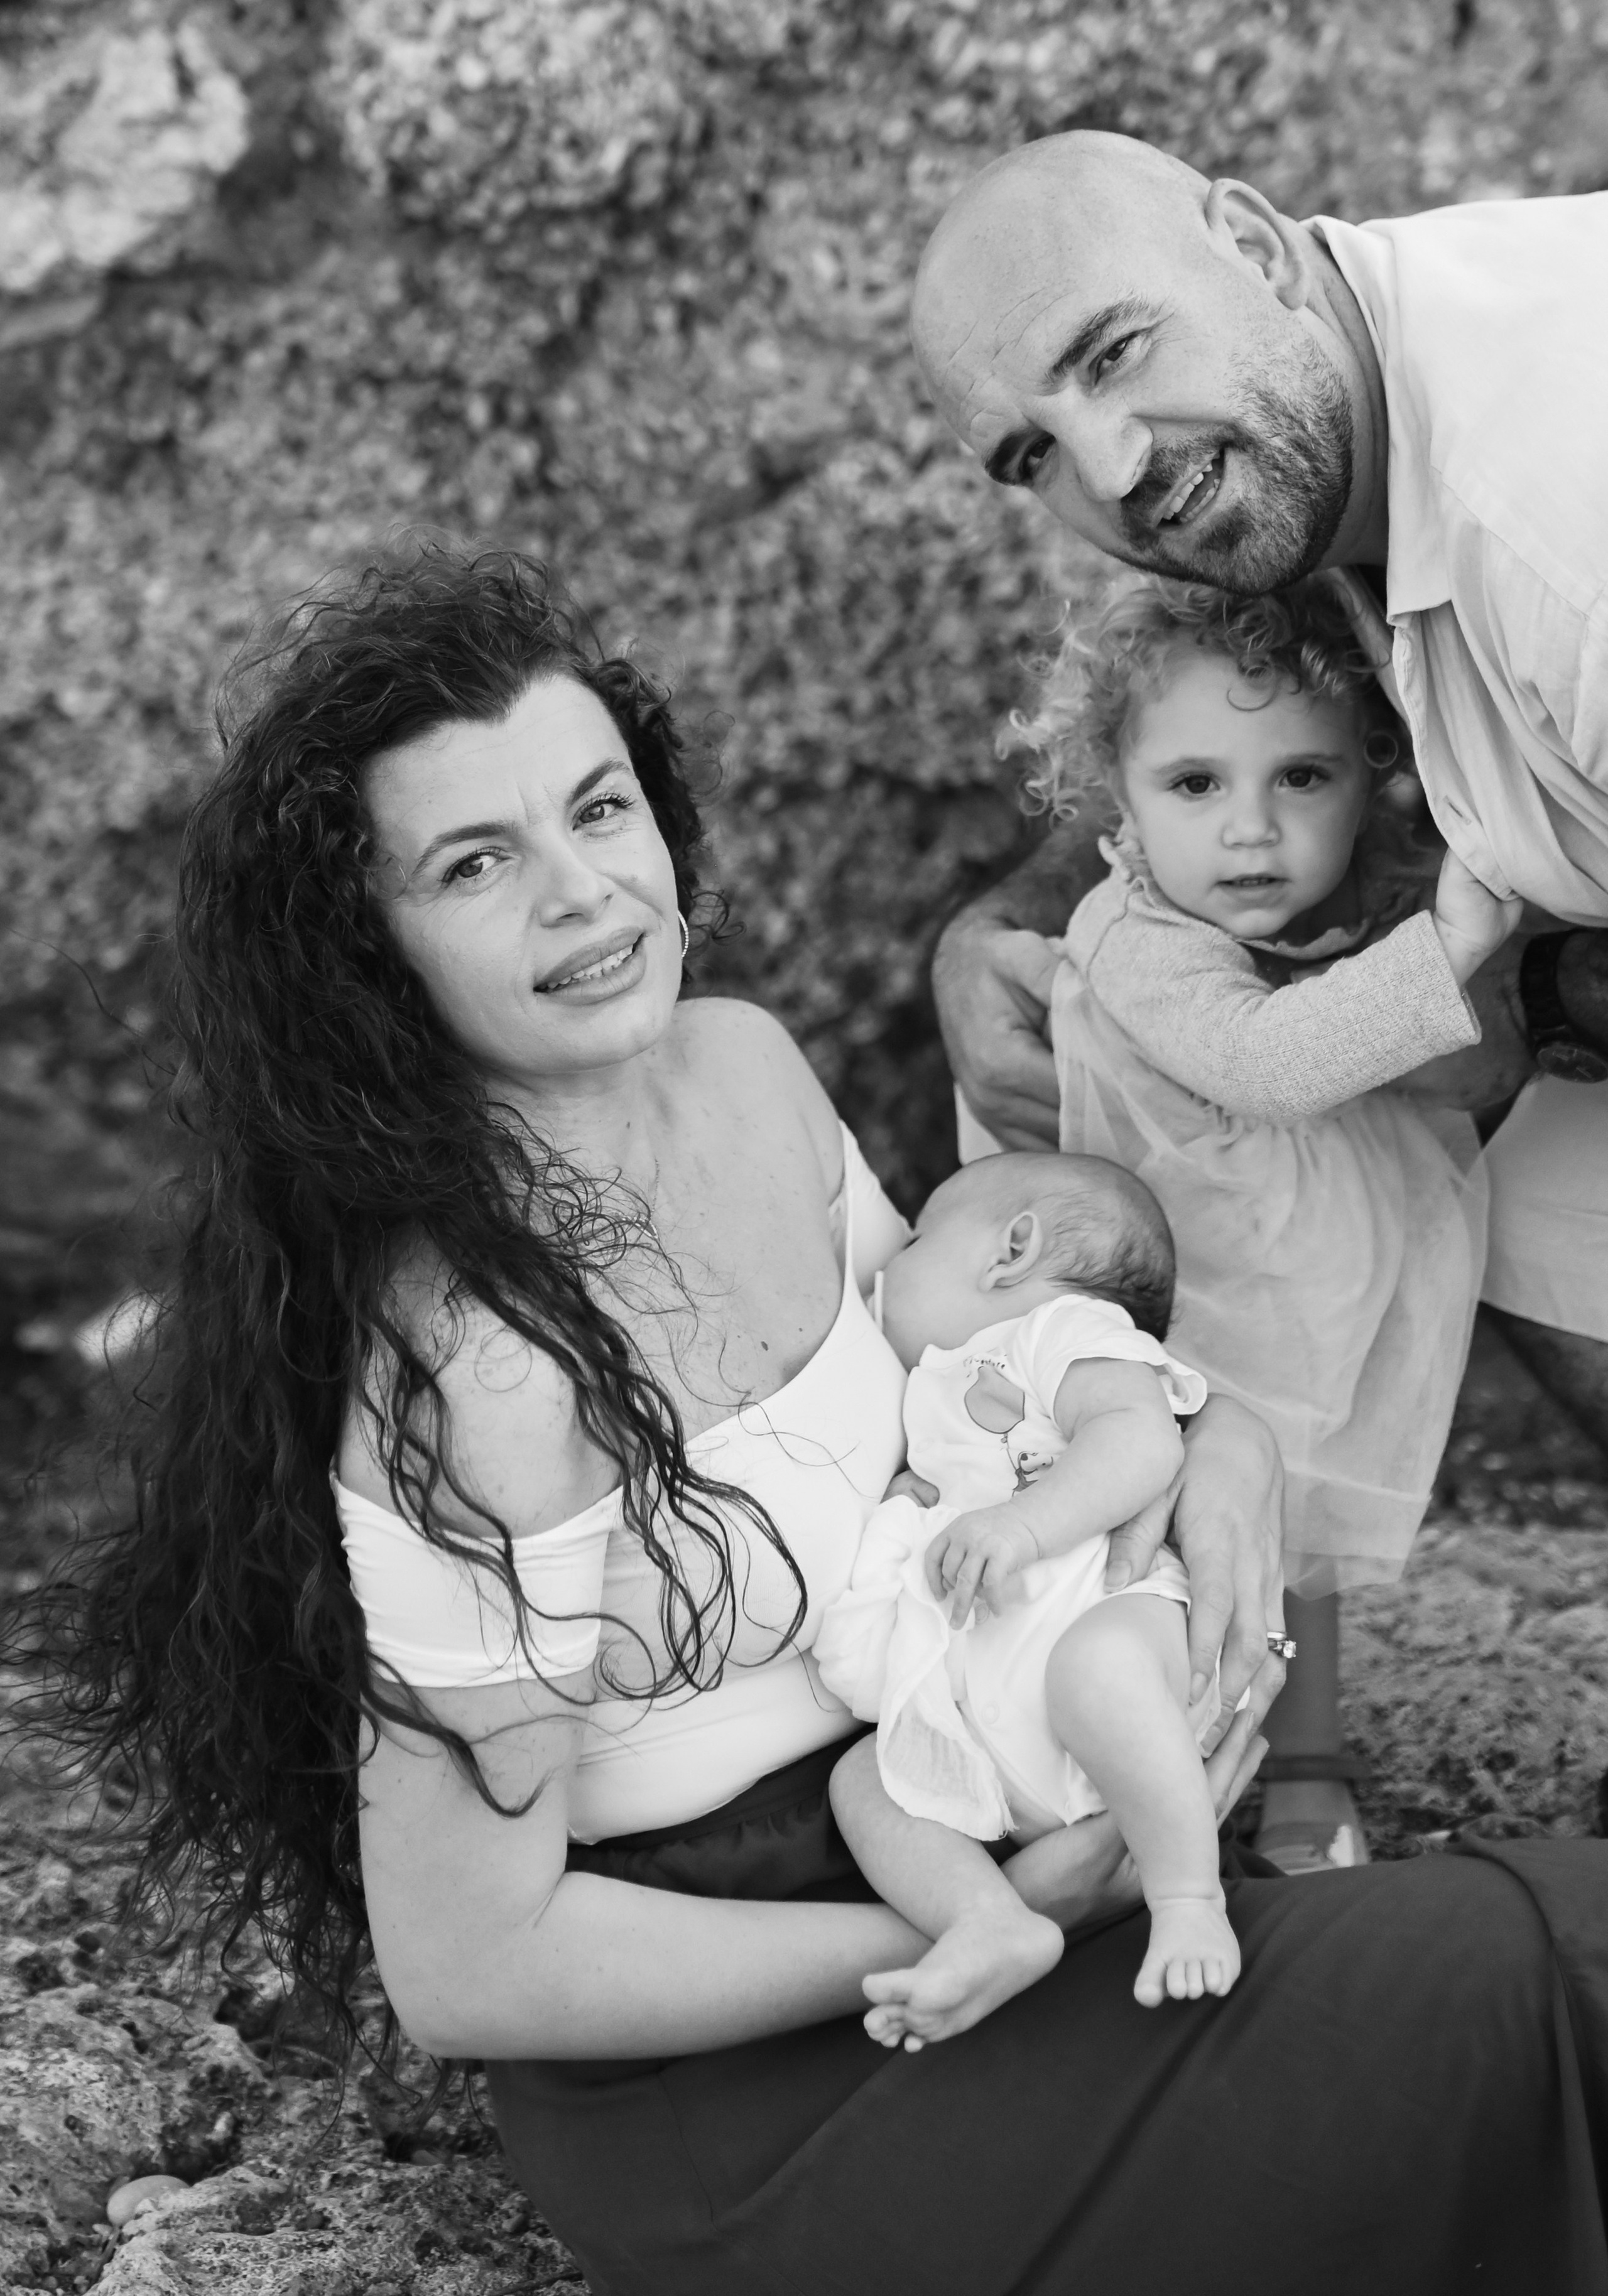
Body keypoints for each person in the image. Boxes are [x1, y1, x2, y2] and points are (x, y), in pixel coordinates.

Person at [35, 546, 1608, 2296]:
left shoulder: (741, 1068)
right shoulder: (480, 1367)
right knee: (1529, 1983)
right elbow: (475, 1968)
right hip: (770, 2066)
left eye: (600, 811)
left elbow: (958, 1374)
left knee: (1539, 1981)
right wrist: (999, 1914)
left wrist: (1211, 1434)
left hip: (982, 1840)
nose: (586, 898)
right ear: (366, 945)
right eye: (479, 864)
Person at [911, 131, 1608, 1868]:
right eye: (1033, 455)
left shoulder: (1558, 532)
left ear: (1250, 238)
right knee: (1530, 1212)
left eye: (1114, 351)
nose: (1115, 470)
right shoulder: (1313, 447)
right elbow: (1184, 801)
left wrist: (1525, 985)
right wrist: (1004, 934)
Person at [1001, 574, 1507, 1868]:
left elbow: (1469, 1062)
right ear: (1113, 789)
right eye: (1193, 786)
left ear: (1373, 773)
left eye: (1302, 778)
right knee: (1179, 1533)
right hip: (1187, 1287)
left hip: (1311, 1284)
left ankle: (1305, 1772)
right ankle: (1133, 1771)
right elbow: (1267, 1060)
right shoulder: (1128, 932)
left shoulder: (1356, 900)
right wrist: (1445, 950)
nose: (1250, 833)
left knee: (1305, 1541)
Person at [817, 1149, 1240, 2039]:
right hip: (993, 1745)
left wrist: (1022, 1528)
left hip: (1116, 1649)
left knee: (1098, 1668)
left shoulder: (1064, 1332)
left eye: (919, 1240)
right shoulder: (929, 1395)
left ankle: (1189, 1895)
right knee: (864, 1782)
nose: (888, 1268)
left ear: (1011, 1250)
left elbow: (1142, 1444)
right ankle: (988, 1921)